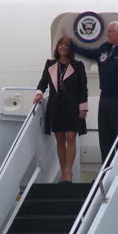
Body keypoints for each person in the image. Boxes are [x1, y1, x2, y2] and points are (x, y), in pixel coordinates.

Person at [68, 21, 118, 164]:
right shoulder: (105, 48)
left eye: (110, 31)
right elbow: (89, 53)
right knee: (104, 136)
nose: (107, 34)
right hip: (105, 98)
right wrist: (72, 45)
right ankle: (105, 171)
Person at [33, 37, 88, 183]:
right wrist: (39, 93)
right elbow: (43, 82)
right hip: (56, 106)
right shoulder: (50, 64)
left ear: (71, 49)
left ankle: (68, 172)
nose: (63, 47)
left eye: (66, 45)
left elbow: (83, 88)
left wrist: (83, 108)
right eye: (61, 45)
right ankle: (63, 171)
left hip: (72, 106)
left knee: (71, 137)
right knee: (60, 139)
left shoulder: (78, 65)